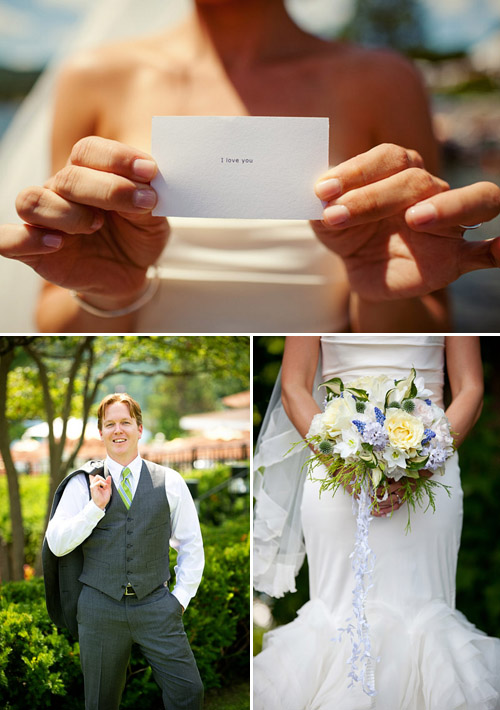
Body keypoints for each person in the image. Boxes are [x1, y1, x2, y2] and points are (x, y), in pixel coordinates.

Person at [0, 0, 452, 333]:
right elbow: (54, 320)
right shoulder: (93, 77)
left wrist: (380, 296)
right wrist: (111, 289)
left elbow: (430, 310)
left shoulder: (384, 81)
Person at [253, 336, 500, 709]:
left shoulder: (449, 292)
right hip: (334, 461)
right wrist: (340, 466)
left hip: (432, 458)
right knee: (340, 610)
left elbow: (471, 388)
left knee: (423, 605)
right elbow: (293, 387)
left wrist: (422, 467)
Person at [44, 392, 204, 710]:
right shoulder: (81, 485)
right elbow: (57, 543)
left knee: (189, 692)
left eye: (125, 422)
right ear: (101, 432)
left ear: (139, 428)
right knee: (101, 703)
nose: (118, 430)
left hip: (156, 605)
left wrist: (179, 600)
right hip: (99, 609)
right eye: (110, 424)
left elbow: (191, 545)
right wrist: (94, 508)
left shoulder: (170, 482)